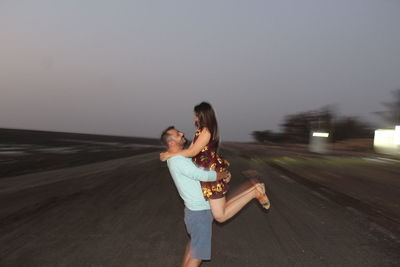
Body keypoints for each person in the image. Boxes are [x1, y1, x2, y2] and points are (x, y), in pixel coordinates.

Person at [160, 102, 270, 224]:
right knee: (220, 213)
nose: (194, 118)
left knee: (220, 216)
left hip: (210, 172)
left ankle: (254, 191)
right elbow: (188, 152)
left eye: (196, 115)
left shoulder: (206, 131)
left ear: (202, 115)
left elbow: (193, 152)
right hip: (207, 172)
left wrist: (170, 154)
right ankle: (253, 190)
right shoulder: (200, 132)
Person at [161, 126, 230, 267]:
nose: (182, 133)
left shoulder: (178, 157)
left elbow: (194, 154)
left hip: (195, 212)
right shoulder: (178, 160)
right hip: (199, 213)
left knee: (194, 248)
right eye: (177, 134)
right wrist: (221, 175)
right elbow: (201, 175)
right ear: (171, 143)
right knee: (198, 256)